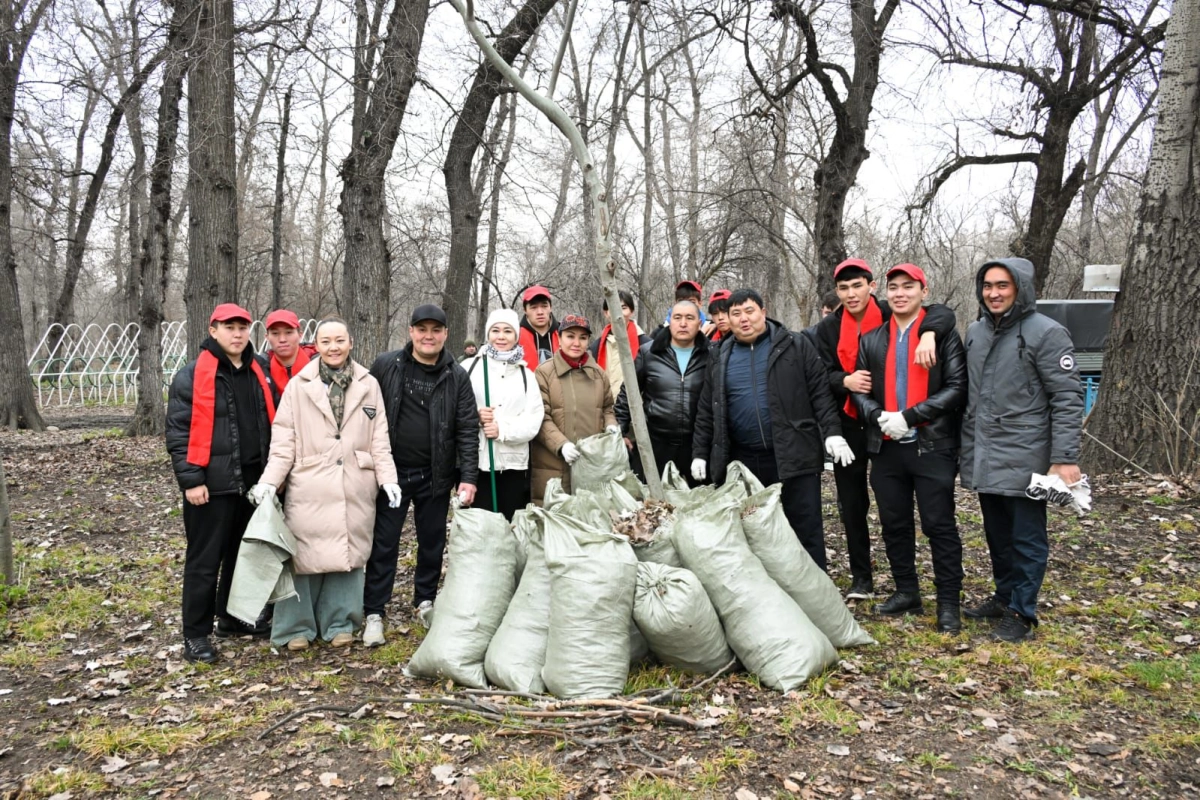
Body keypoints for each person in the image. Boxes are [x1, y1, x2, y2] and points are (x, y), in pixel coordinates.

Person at [249, 318, 402, 651]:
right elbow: (283, 441)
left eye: (340, 340)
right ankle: (295, 627)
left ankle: (341, 621)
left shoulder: (369, 384)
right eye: (326, 341)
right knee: (302, 553)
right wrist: (270, 481)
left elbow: (379, 439)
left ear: (351, 343)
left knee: (348, 551)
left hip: (354, 482)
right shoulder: (298, 386)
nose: (334, 347)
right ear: (316, 345)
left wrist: (388, 478)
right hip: (310, 482)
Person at [813, 258, 957, 600]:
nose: (851, 294)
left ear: (872, 286)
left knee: (906, 509)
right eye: (844, 288)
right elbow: (820, 375)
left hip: (895, 423)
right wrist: (845, 380)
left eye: (857, 286)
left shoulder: (891, 310)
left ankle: (922, 586)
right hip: (851, 421)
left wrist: (929, 333)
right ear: (837, 292)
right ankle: (862, 578)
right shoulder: (828, 328)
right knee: (852, 504)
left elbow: (941, 313)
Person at [960, 258, 1083, 643]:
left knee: (1026, 538)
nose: (993, 293)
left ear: (1020, 288)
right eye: (988, 285)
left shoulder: (1047, 333)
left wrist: (1064, 457)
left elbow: (1067, 398)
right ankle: (1004, 597)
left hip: (1027, 455)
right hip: (985, 452)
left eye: (1003, 285)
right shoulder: (976, 332)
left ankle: (1022, 612)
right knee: (997, 533)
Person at [691, 289, 852, 570]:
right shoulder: (719, 355)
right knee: (755, 532)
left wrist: (833, 433)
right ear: (728, 319)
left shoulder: (795, 345)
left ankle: (815, 589)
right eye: (736, 313)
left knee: (804, 528)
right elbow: (708, 407)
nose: (744, 319)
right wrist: (700, 453)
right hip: (745, 460)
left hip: (794, 454)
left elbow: (820, 394)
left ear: (763, 313)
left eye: (749, 311)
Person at [851, 265, 967, 633]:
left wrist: (911, 416)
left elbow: (956, 388)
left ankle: (948, 603)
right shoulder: (872, 339)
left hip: (932, 445)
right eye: (894, 288)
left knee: (939, 525)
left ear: (923, 291)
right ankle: (907, 592)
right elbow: (860, 390)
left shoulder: (941, 335)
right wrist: (878, 416)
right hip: (886, 447)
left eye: (908, 287)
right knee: (894, 524)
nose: (900, 294)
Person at [166, 303, 276, 663]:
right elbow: (178, 432)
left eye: (243, 327)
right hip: (211, 485)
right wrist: (191, 480)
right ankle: (195, 634)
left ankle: (232, 618)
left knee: (242, 557)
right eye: (229, 327)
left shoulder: (259, 369)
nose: (237, 334)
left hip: (252, 482)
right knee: (204, 561)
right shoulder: (192, 375)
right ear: (213, 330)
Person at [363, 304, 479, 644]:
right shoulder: (387, 366)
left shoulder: (456, 375)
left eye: (436, 330)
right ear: (411, 332)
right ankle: (374, 611)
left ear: (445, 334)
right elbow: (365, 411)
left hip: (435, 475)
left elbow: (467, 428)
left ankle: (424, 601)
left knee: (432, 542)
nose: (429, 336)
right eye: (422, 329)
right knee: (384, 543)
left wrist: (468, 477)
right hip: (392, 474)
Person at [616, 299, 709, 485]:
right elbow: (628, 393)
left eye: (690, 318)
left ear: (699, 323)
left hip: (697, 445)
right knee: (652, 500)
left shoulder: (711, 354)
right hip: (655, 444)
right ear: (669, 321)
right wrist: (620, 431)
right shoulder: (649, 353)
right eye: (678, 317)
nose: (683, 323)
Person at [462, 309, 543, 520]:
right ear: (488, 334)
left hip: (514, 466)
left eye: (507, 331)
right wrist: (475, 417)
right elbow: (453, 411)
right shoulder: (469, 368)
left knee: (510, 526)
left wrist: (502, 430)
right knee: (481, 528)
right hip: (477, 464)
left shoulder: (527, 375)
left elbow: (534, 421)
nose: (501, 336)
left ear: (516, 336)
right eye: (495, 330)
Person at [531, 314, 619, 504]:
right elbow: (540, 417)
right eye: (570, 336)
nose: (576, 343)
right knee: (557, 517)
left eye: (583, 338)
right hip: (553, 467)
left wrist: (611, 425)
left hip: (590, 466)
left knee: (589, 515)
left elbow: (607, 408)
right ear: (559, 338)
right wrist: (561, 444)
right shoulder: (543, 373)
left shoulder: (598, 374)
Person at [590, 289, 651, 401]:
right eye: (613, 307)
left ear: (631, 311)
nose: (618, 313)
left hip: (636, 409)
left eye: (623, 308)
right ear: (606, 313)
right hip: (604, 408)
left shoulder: (646, 345)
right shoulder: (596, 347)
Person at [259, 309, 317, 401]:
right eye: (275, 333)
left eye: (288, 332)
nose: (282, 339)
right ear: (267, 337)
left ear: (300, 335)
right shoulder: (260, 369)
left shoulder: (318, 363)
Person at [518, 285, 559, 371]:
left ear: (550, 307)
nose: (540, 312)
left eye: (544, 306)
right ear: (525, 310)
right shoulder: (515, 336)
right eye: (533, 307)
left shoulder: (563, 333)